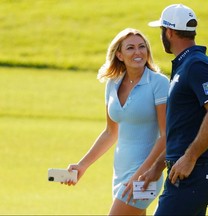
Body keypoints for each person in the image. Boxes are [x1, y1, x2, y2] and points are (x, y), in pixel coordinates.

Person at [63, 28, 170, 216]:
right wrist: (82, 165)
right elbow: (110, 132)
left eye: (141, 47)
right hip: (121, 172)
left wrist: (141, 174)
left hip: (145, 174)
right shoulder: (112, 84)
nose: (138, 52)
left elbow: (166, 135)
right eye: (130, 48)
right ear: (119, 55)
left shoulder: (159, 83)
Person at [138, 4, 208, 215]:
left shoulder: (196, 64)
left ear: (169, 32)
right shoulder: (185, 64)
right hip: (186, 175)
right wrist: (157, 167)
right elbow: (182, 130)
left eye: (162, 30)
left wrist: (190, 157)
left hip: (193, 176)